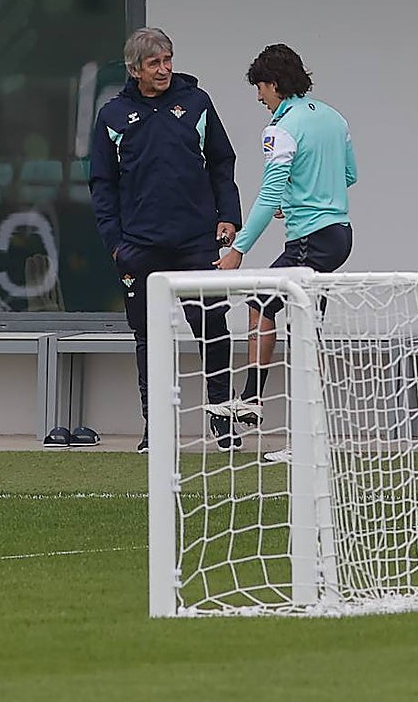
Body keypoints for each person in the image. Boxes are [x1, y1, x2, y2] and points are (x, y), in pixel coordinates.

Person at [89, 27, 243, 454]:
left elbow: (221, 161)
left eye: (168, 60)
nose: (164, 69)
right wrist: (115, 243)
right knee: (148, 337)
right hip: (140, 247)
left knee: (213, 330)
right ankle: (154, 427)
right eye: (155, 63)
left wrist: (228, 216)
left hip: (196, 241)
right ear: (135, 69)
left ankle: (222, 420)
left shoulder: (197, 103)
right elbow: (101, 184)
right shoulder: (113, 115)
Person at [213, 44, 356, 428]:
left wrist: (239, 249)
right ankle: (311, 429)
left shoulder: (281, 128)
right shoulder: (333, 118)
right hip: (339, 234)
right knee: (308, 323)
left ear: (273, 84)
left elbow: (267, 194)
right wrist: (298, 198)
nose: (259, 97)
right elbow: (348, 176)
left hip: (310, 239)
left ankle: (253, 399)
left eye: (260, 88)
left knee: (261, 304)